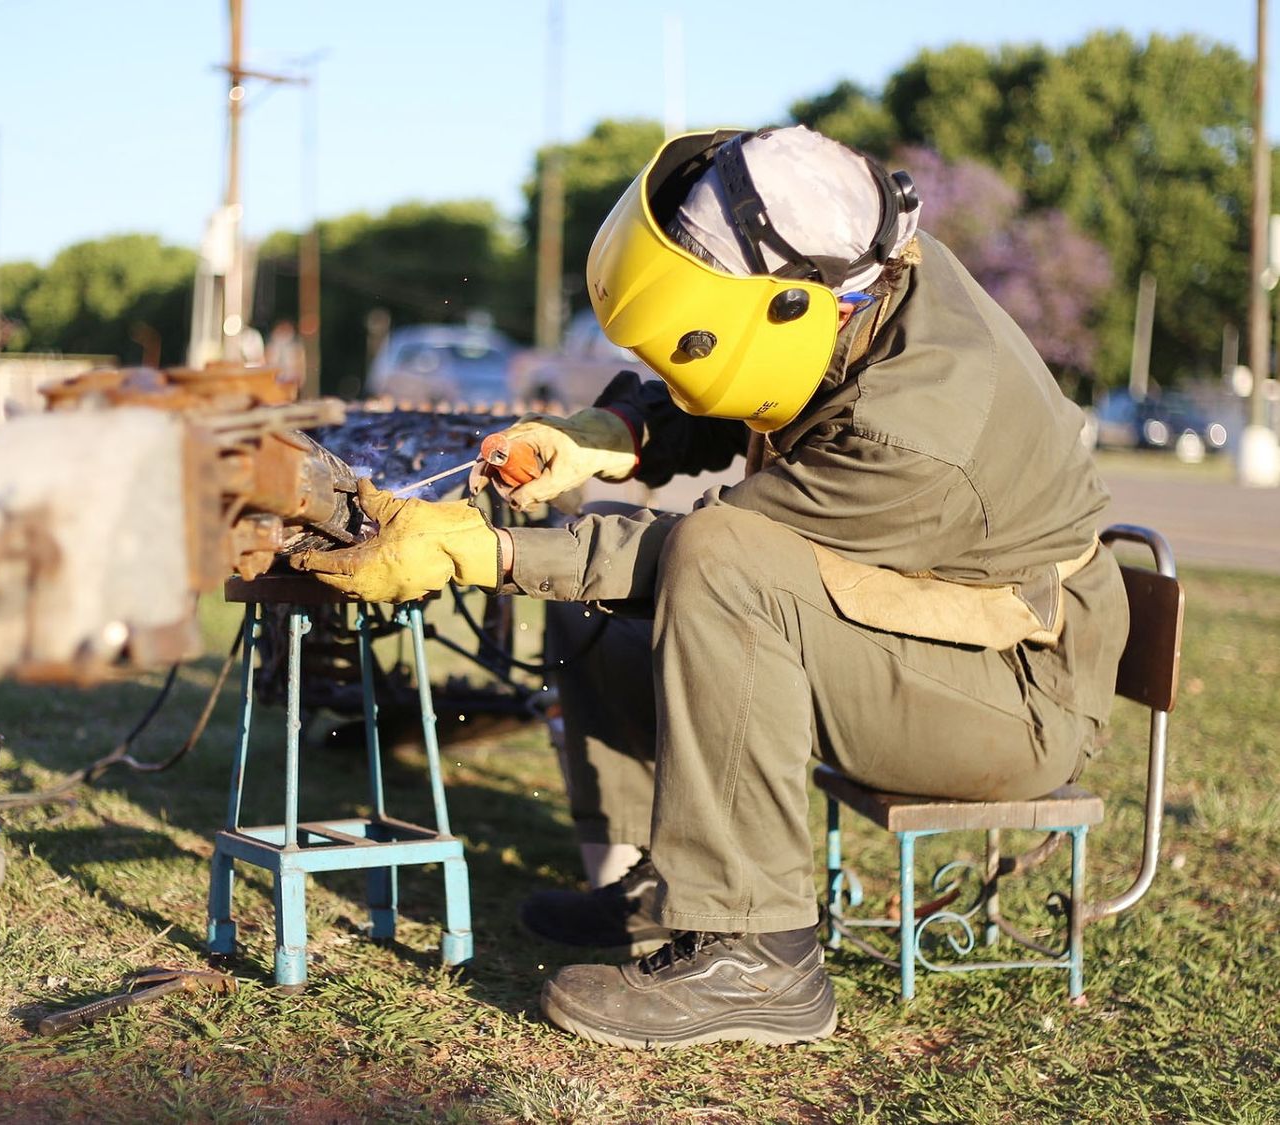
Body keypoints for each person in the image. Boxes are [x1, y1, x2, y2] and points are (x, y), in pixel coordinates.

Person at [293, 126, 1129, 1049]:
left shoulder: (918, 428)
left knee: (718, 566)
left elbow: (699, 555)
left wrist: (477, 552)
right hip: (936, 637)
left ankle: (760, 958)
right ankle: (662, 886)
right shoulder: (858, 286)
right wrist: (604, 432)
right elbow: (754, 392)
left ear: (791, 303)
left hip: (1018, 695)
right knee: (614, 612)